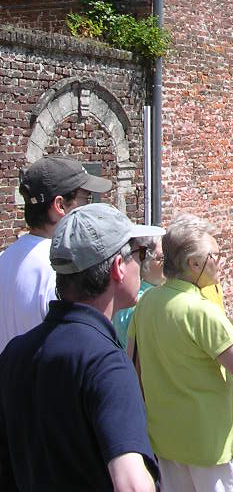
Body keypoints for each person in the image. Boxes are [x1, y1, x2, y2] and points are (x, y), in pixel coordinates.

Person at [0, 202, 163, 491]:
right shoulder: (107, 364)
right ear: (118, 267)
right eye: (140, 254)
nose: (143, 264)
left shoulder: (15, 353)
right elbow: (133, 485)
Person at [129, 214, 233, 492]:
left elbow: (135, 368)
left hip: (166, 441)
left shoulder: (147, 302)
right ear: (194, 264)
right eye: (214, 256)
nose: (220, 262)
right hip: (211, 447)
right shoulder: (201, 310)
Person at [0, 155, 113, 351]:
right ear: (60, 205)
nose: (89, 207)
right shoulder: (62, 269)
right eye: (86, 198)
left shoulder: (4, 259)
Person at [112, 235, 164, 348]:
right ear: (144, 262)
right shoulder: (144, 302)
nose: (168, 263)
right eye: (162, 258)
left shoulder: (126, 295)